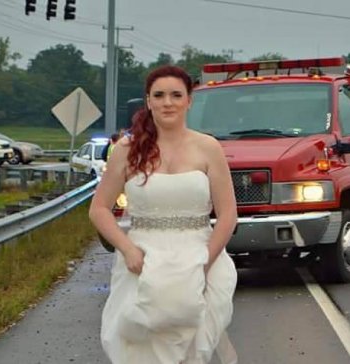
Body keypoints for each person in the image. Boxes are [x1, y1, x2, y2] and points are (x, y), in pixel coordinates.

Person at [89, 65, 239, 364]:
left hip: (198, 256)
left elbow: (227, 214)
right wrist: (128, 249)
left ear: (189, 100)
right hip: (144, 260)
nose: (167, 102)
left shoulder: (208, 147)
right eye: (159, 95)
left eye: (175, 95)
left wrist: (206, 260)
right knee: (141, 345)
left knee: (195, 345)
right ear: (148, 101)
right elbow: (99, 209)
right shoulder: (127, 150)